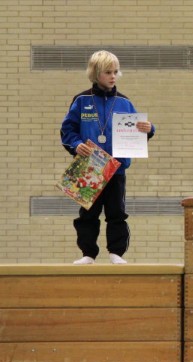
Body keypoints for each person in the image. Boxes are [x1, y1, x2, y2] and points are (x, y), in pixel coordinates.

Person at [60, 50, 155, 265]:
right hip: (89, 167)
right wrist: (77, 145)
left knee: (116, 213)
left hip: (116, 168)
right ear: (95, 74)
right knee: (88, 214)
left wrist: (149, 129)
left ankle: (116, 253)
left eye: (116, 72)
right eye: (107, 72)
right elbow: (67, 131)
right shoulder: (82, 100)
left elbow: (139, 131)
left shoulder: (124, 102)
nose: (113, 76)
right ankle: (88, 254)